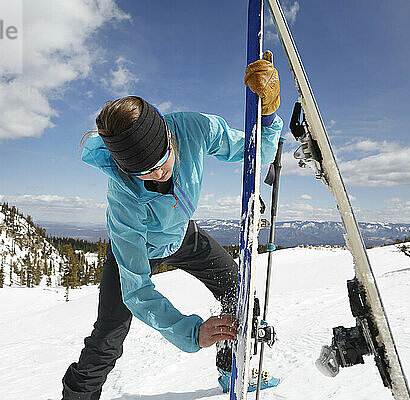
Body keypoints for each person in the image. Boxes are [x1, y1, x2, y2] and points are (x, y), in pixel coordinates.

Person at [62, 51, 282, 400]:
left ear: (167, 132)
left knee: (239, 290)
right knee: (108, 337)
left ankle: (231, 368)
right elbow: (136, 289)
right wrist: (190, 332)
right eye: (145, 172)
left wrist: (268, 116)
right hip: (137, 251)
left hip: (182, 235)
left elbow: (251, 151)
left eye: (164, 158)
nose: (159, 172)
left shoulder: (194, 128)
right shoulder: (124, 199)